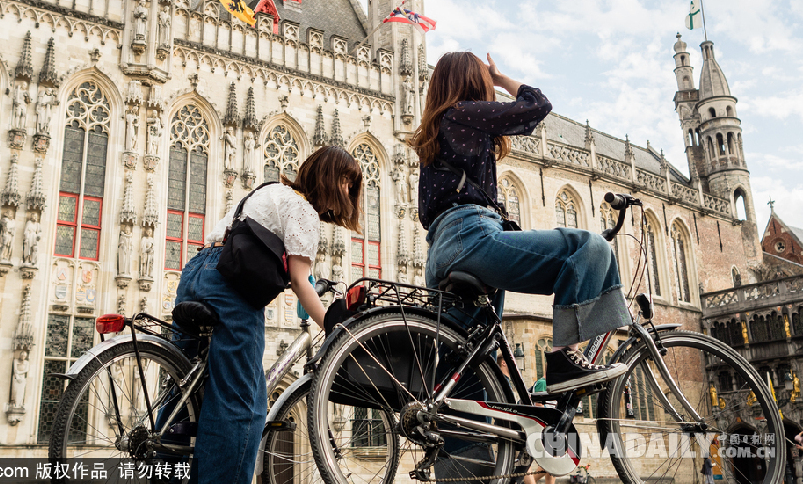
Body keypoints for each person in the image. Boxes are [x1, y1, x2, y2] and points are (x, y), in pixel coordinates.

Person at [409, 51, 631, 393]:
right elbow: (537, 104)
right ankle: (563, 359)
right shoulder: (462, 113)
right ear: (473, 83)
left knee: (469, 373)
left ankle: (455, 427)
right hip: (472, 239)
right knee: (590, 247)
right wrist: (501, 80)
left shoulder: (436, 130)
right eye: (484, 83)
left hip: (441, 253)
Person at [174, 145, 362, 484]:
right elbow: (301, 281)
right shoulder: (303, 210)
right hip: (229, 289)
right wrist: (334, 328)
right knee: (242, 403)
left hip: (196, 272)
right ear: (330, 178)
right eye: (348, 182)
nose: (349, 193)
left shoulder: (271, 189)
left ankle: (162, 469)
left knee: (183, 389)